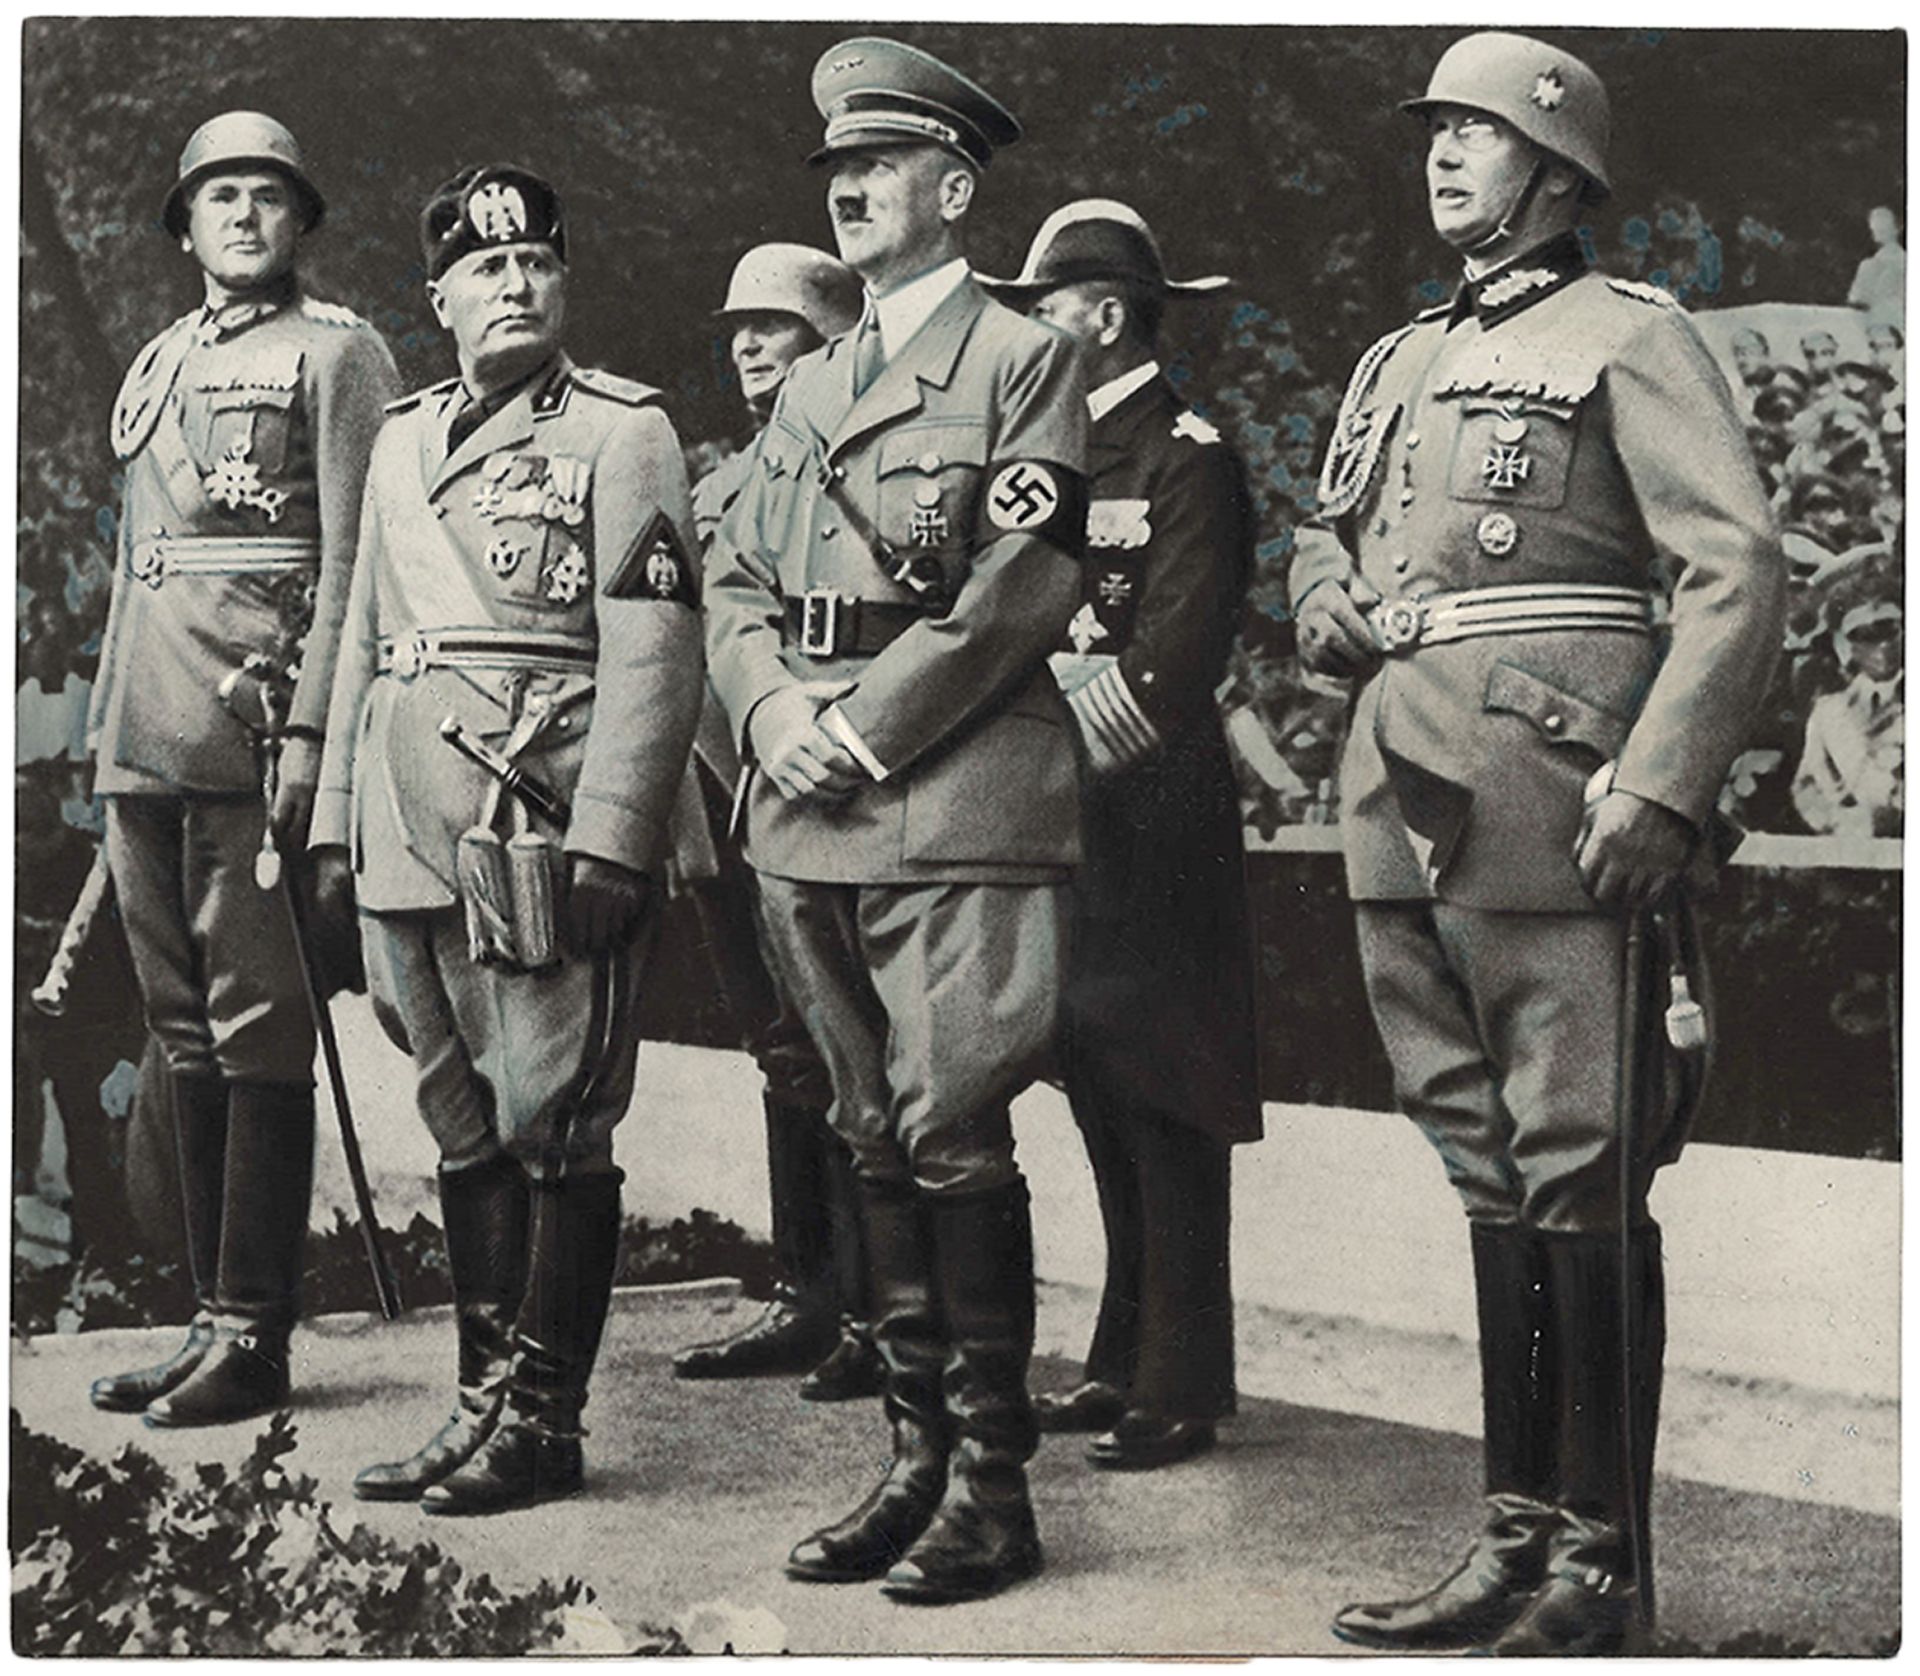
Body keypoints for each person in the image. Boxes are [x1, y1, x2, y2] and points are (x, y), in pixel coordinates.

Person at [1291, 32, 1785, 1654]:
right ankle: (1512, 1534)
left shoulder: (1630, 337)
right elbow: (1327, 537)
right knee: (1481, 1162)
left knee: (1581, 1161)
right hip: (1399, 791)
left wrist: (1662, 782)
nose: (1444, 158)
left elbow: (1737, 568)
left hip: (1557, 798)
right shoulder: (1390, 360)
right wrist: (1326, 606)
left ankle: (1601, 1563)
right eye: (1436, 132)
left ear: (1560, 172)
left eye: (1480, 136)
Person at [704, 36, 1088, 1603]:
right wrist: (773, 710)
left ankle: (994, 1486)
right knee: (866, 1128)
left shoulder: (1022, 358)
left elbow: (1024, 587)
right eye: (835, 174)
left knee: (951, 1127)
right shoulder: (805, 384)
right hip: (807, 806)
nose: (850, 190)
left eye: (879, 167)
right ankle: (912, 1461)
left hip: (948, 793)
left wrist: (855, 722)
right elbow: (734, 580)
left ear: (954, 184)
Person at [310, 163, 703, 1514]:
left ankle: (547, 1417)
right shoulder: (405, 438)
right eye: (487, 269)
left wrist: (615, 840)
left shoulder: (622, 431)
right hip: (404, 827)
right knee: (460, 1124)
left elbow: (654, 650)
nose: (516, 282)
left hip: (534, 814)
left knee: (555, 1122)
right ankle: (479, 1405)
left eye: (537, 260)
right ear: (439, 301)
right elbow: (362, 637)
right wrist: (326, 832)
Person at [85, 112, 397, 1427]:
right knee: (180, 1032)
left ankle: (256, 1333)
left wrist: (319, 744)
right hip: (142, 732)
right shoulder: (158, 361)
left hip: (252, 730)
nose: (244, 215)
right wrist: (104, 737)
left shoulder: (336, 354)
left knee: (258, 1026)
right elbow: (140, 566)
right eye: (219, 196)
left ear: (299, 219)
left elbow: (358, 571)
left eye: (268, 194)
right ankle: (205, 1313)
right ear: (186, 223)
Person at [982, 200, 1261, 1470]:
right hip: (1066, 808)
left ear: (1101, 317)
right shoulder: (1049, 457)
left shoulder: (1186, 453)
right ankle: (1122, 1351)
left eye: (1043, 307)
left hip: (1152, 811)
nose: (1028, 328)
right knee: (1097, 1078)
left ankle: (1186, 1376)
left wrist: (1054, 744)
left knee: (1168, 1092)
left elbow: (1175, 656)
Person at [670, 242, 885, 1402]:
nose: (749, 345)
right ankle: (806, 1291)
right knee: (778, 1044)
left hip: (815, 787)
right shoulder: (714, 483)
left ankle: (879, 1302)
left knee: (853, 1039)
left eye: (779, 326)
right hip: (716, 796)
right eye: (740, 328)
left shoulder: (857, 472)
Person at [1792, 560, 1903, 838]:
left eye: (1889, 629)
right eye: (1865, 635)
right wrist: (1838, 822)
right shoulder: (1831, 712)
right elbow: (1807, 787)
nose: (1882, 645)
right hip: (1857, 849)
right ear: (1847, 645)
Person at [1848, 206, 1905, 330]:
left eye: (1883, 223)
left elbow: (1857, 299)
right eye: (1876, 223)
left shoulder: (1870, 265)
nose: (1878, 227)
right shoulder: (1869, 265)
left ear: (1897, 228)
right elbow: (1857, 300)